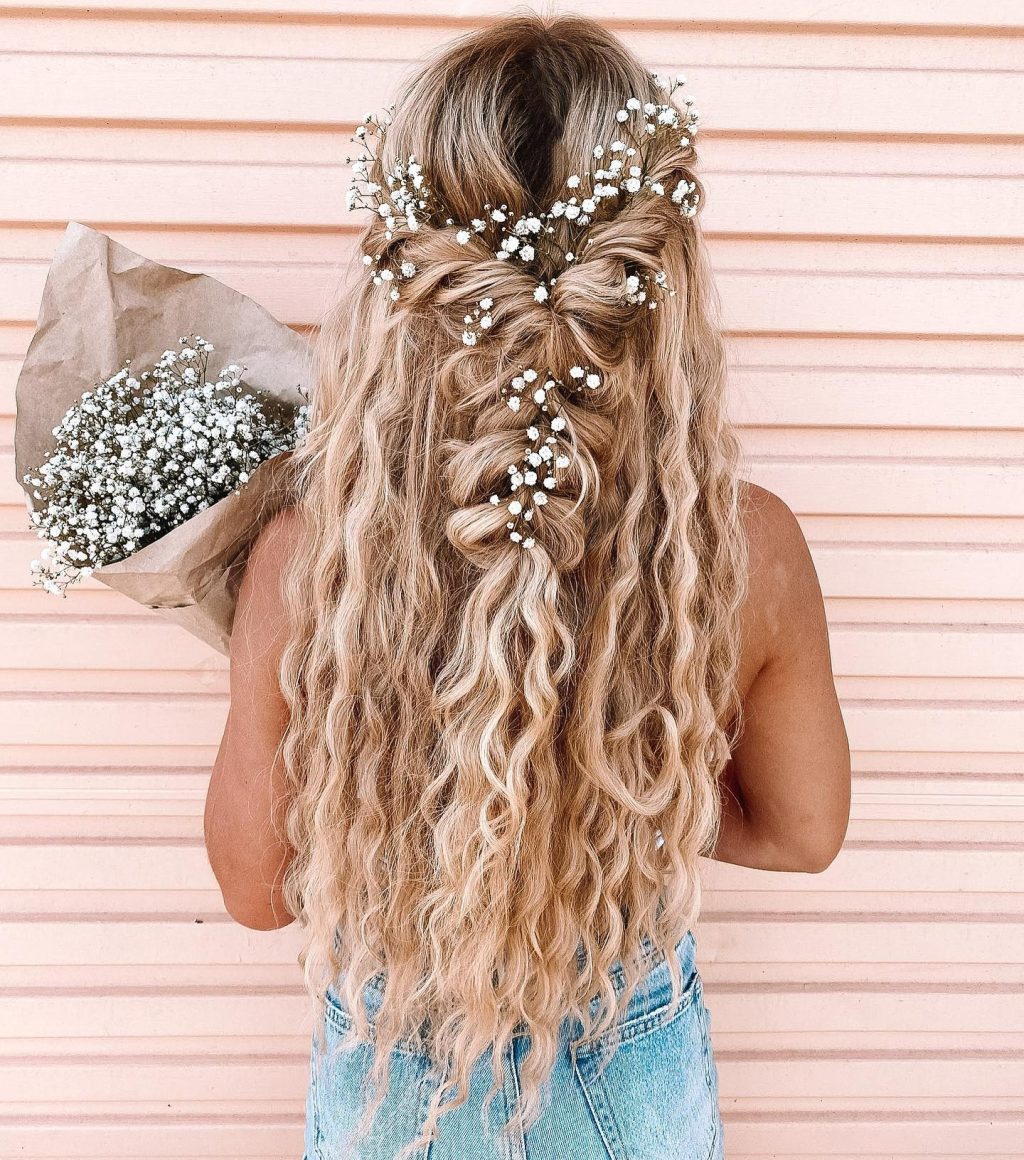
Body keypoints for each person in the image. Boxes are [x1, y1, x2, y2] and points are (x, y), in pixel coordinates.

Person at [203, 12, 851, 1159]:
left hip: (393, 1079)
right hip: (628, 1072)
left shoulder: (312, 561)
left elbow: (258, 889)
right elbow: (802, 831)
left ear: (405, 284)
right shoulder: (746, 552)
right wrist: (607, 785)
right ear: (656, 280)